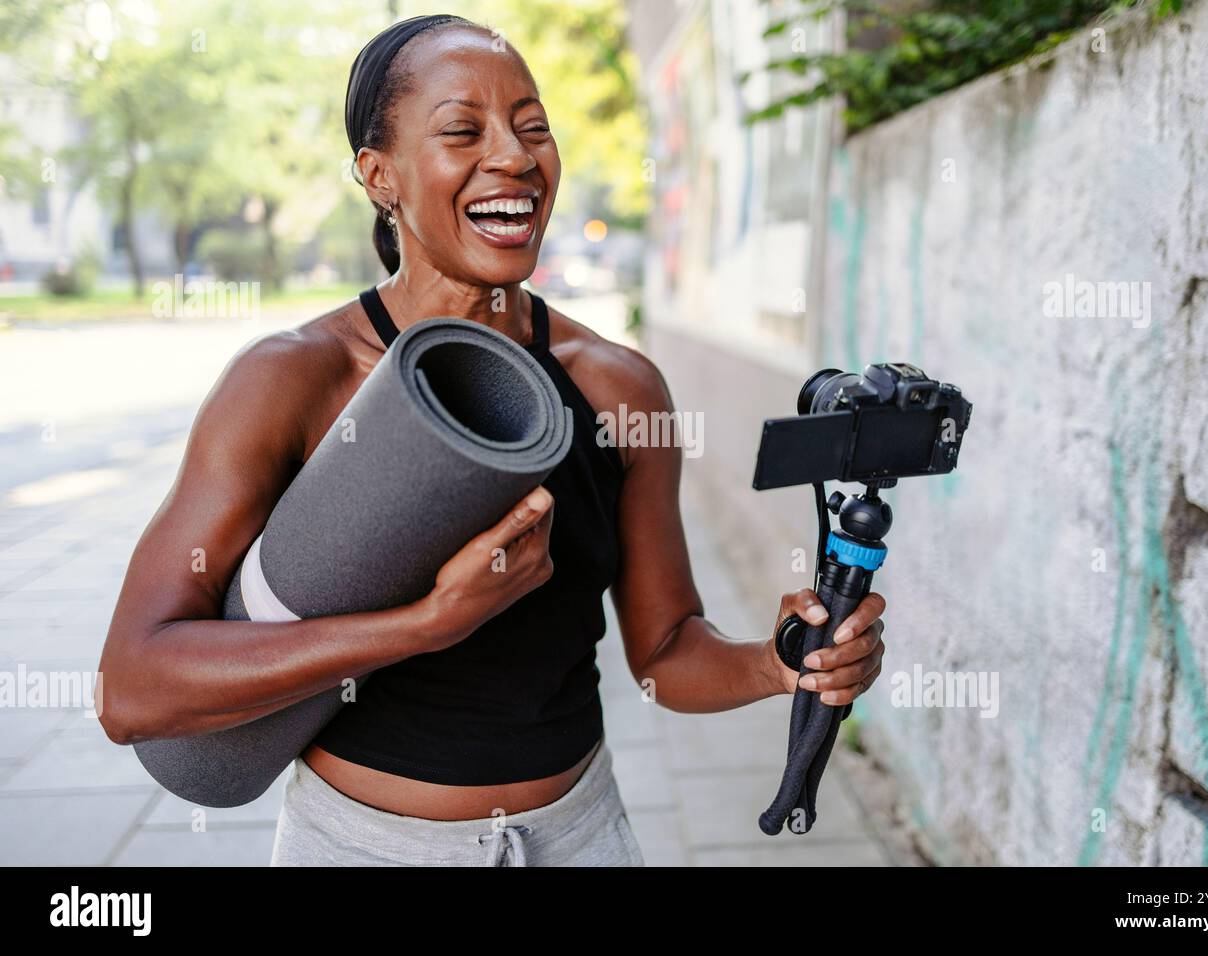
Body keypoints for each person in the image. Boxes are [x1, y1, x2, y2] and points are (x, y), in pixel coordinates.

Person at [96, 14, 886, 867]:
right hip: (363, 848)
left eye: (535, 128)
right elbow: (133, 689)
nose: (515, 156)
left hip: (581, 836)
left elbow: (664, 653)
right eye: (462, 131)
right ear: (379, 175)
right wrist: (422, 626)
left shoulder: (617, 387)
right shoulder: (295, 381)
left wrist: (776, 666)